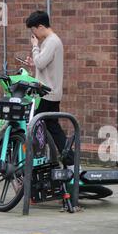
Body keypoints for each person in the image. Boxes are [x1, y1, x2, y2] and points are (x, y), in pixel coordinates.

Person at [25, 10, 73, 164]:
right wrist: (34, 62)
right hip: (49, 93)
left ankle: (51, 162)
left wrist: (34, 47)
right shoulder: (50, 41)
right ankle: (68, 162)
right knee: (52, 128)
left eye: (33, 30)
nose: (34, 34)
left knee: (38, 127)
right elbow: (43, 64)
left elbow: (40, 62)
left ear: (40, 26)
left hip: (47, 94)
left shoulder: (52, 41)